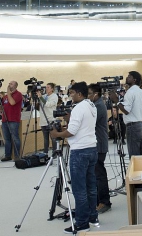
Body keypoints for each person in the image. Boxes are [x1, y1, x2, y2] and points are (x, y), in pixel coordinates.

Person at [50, 82, 98, 234]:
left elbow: (71, 132)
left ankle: (82, 223)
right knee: (90, 186)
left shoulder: (78, 108)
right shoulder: (91, 105)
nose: (70, 96)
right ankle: (92, 217)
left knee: (79, 189)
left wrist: (56, 134)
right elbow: (81, 127)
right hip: (91, 148)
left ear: (79, 93)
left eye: (71, 93)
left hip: (80, 151)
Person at [109, 71, 142, 157]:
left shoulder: (130, 92)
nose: (127, 78)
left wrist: (117, 101)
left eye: (129, 77)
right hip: (140, 124)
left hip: (133, 126)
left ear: (134, 80)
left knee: (134, 154)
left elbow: (126, 110)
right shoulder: (141, 92)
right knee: (139, 153)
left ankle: (135, 169)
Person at [87, 83, 111, 214]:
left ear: (96, 94)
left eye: (89, 94)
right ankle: (97, 200)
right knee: (95, 174)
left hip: (99, 144)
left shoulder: (98, 106)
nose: (87, 96)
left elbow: (90, 122)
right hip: (96, 143)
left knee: (99, 175)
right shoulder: (94, 105)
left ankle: (104, 201)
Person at [0, 81, 22, 162]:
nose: (9, 85)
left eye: (11, 84)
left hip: (13, 119)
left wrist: (8, 93)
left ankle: (17, 155)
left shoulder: (18, 94)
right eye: (9, 83)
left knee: (15, 138)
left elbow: (12, 103)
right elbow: (2, 108)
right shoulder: (5, 97)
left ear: (15, 86)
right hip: (5, 119)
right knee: (7, 139)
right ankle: (8, 155)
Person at [37, 83, 57, 156]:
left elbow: (48, 104)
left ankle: (54, 152)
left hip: (50, 119)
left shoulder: (54, 96)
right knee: (45, 138)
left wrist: (40, 97)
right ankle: (45, 152)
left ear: (52, 89)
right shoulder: (44, 96)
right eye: (46, 87)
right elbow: (40, 105)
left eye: (48, 87)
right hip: (43, 120)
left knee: (53, 137)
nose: (47, 89)